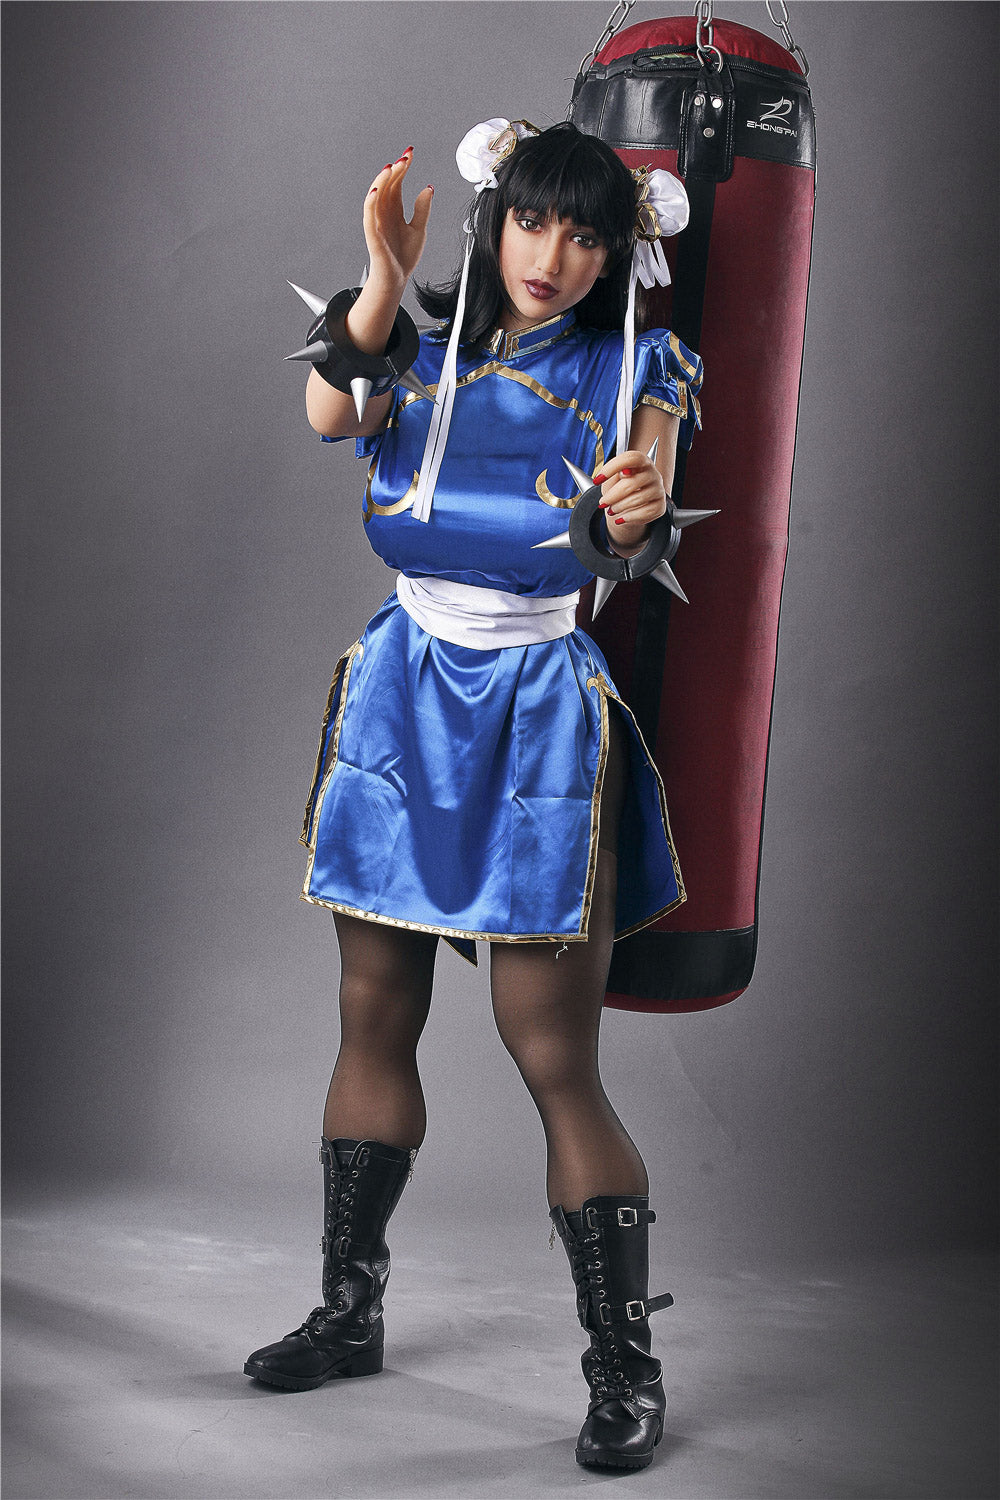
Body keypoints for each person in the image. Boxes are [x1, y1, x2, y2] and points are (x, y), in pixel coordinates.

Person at [245, 120, 703, 1473]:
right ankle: (349, 1309)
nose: (551, 256)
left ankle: (624, 1366)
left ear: (619, 254)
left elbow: (633, 520)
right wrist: (385, 281)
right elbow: (332, 412)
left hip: (540, 709)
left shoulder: (636, 362)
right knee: (372, 1010)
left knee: (550, 1050)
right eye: (533, 222)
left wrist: (632, 506)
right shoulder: (416, 347)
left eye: (586, 235)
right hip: (403, 690)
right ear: (494, 221)